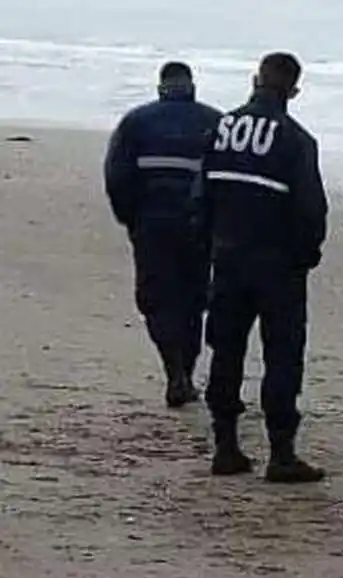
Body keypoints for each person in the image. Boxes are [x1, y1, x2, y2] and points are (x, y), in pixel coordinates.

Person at [196, 52, 328, 482]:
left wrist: (210, 245)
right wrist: (306, 256)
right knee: (283, 357)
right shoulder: (296, 140)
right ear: (293, 91)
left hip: (228, 258)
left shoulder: (220, 128)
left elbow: (199, 198)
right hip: (278, 267)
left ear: (255, 80)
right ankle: (281, 454)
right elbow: (311, 211)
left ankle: (226, 445)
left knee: (226, 350)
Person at [103, 61, 222, 408]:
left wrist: (131, 220)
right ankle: (184, 369)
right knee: (193, 300)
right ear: (192, 87)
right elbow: (226, 178)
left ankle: (175, 372)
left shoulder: (136, 122)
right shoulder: (215, 122)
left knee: (156, 300)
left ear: (160, 88)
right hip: (199, 227)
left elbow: (117, 177)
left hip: (152, 224)